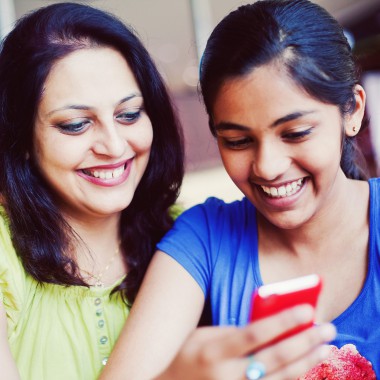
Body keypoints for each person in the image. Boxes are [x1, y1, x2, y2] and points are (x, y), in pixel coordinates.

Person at [100, 0, 380, 379]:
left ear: (353, 111)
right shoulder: (205, 239)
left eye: (295, 133)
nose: (267, 166)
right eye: (236, 141)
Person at [0, 2, 185, 379]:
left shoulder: (189, 236)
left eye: (129, 114)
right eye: (76, 124)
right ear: (20, 139)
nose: (115, 147)